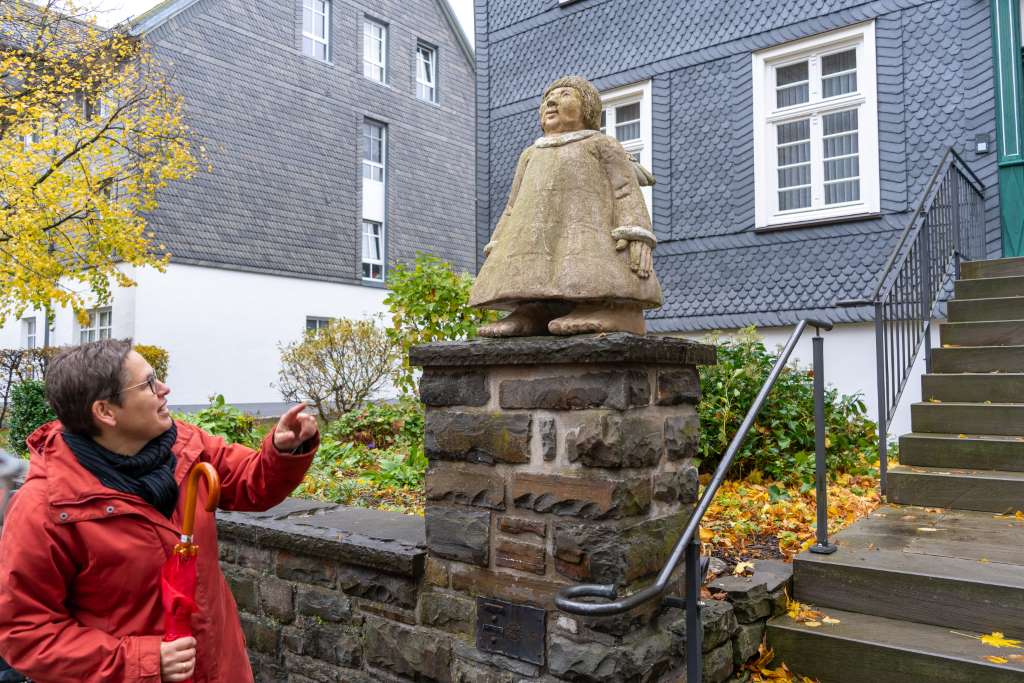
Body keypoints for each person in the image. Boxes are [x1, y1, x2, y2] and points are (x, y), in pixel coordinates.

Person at [0, 339, 319, 682]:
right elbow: (26, 632)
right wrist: (144, 661)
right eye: (149, 383)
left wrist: (282, 450)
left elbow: (251, 485)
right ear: (106, 412)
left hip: (221, 668)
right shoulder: (47, 507)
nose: (165, 389)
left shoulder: (184, 444)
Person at [469, 74, 663, 337]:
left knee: (585, 265)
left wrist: (637, 233)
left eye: (564, 95)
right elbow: (512, 206)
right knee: (531, 268)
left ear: (587, 108)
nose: (551, 101)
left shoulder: (602, 144)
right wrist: (499, 240)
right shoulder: (530, 154)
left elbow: (626, 190)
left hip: (589, 231)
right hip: (536, 234)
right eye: (548, 98)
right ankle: (534, 309)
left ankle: (615, 310)